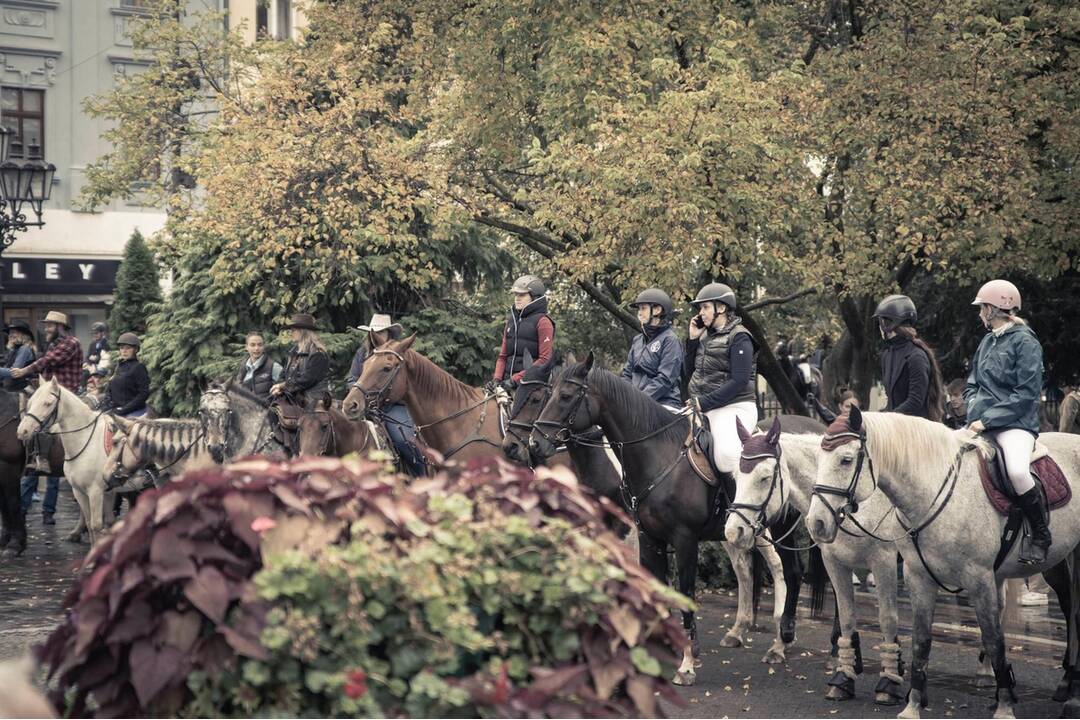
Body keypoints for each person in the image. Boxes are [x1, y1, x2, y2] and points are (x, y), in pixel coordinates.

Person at [964, 279, 1048, 564]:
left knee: (1017, 472)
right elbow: (971, 384)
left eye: (981, 308)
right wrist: (973, 407)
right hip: (981, 423)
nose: (979, 314)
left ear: (995, 308)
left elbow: (1025, 395)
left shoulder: (1026, 342)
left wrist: (986, 419)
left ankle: (1041, 535)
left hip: (1016, 424)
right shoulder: (987, 341)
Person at [11, 311, 81, 523]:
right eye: (46, 325)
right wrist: (30, 379)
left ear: (60, 326)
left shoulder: (71, 343)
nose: (46, 329)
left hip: (67, 397)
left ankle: (47, 510)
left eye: (50, 326)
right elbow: (45, 370)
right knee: (31, 419)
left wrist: (24, 371)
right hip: (49, 397)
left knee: (48, 442)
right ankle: (36, 462)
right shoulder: (52, 344)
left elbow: (48, 361)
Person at [683, 282, 759, 474]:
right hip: (702, 406)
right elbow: (687, 371)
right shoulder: (703, 336)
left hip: (735, 406)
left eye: (706, 307)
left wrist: (703, 402)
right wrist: (692, 340)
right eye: (700, 308)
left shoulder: (740, 336)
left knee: (725, 457)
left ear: (722, 307)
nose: (701, 312)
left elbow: (739, 381)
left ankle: (735, 502)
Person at [348, 313, 426, 476]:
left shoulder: (397, 353)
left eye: (380, 332)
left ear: (388, 333)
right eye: (373, 332)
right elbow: (353, 378)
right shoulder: (362, 353)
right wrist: (356, 393)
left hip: (391, 406)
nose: (376, 336)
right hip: (364, 406)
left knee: (403, 440)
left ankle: (423, 475)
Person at [872, 294, 945, 420]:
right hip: (896, 425)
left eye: (881, 321)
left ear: (887, 323)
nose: (879, 326)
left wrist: (887, 419)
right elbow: (891, 399)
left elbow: (915, 401)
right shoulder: (887, 355)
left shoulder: (916, 356)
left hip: (916, 428)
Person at [621, 288, 683, 411]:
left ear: (657, 310)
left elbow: (665, 379)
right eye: (639, 309)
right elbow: (627, 374)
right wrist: (625, 397)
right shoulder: (638, 340)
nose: (639, 313)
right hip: (636, 403)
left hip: (664, 403)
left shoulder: (671, 340)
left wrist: (638, 400)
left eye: (643, 308)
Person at [493, 275, 555, 392]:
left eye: (522, 295)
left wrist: (515, 380)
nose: (517, 298)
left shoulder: (543, 322)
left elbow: (544, 360)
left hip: (530, 387)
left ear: (534, 297)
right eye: (516, 294)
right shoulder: (511, 322)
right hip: (505, 384)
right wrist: (496, 380)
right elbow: (502, 357)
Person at [271, 313, 330, 410]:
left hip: (313, 401)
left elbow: (307, 380)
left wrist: (283, 386)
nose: (291, 332)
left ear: (303, 331)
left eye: (293, 330)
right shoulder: (293, 352)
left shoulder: (318, 353)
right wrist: (279, 388)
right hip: (294, 398)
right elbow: (284, 375)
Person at [102, 333, 150, 418]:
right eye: (121, 348)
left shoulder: (139, 367)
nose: (124, 351)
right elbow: (110, 388)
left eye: (128, 348)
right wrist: (106, 404)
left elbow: (143, 394)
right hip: (116, 410)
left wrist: (124, 409)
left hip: (135, 411)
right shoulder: (118, 367)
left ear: (135, 350)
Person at [235, 333, 283, 402]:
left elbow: (287, 386)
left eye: (260, 345)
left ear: (264, 346)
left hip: (267, 410)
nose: (256, 348)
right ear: (246, 347)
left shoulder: (273, 367)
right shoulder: (243, 367)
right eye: (252, 345)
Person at [0, 320, 37, 392]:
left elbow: (15, 372)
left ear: (23, 334)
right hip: (12, 389)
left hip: (22, 390)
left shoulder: (25, 349)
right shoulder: (14, 350)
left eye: (13, 332)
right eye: (9, 333)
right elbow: (7, 369)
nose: (10, 335)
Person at [82, 322, 111, 388]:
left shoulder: (106, 344)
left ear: (103, 333)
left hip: (102, 368)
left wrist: (97, 358)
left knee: (86, 374)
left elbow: (106, 358)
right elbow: (88, 356)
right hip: (92, 366)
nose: (95, 335)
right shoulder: (93, 343)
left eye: (97, 333)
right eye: (93, 333)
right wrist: (87, 363)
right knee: (82, 371)